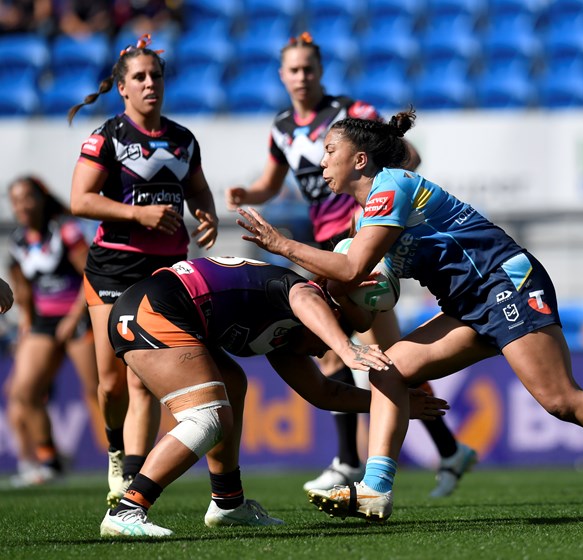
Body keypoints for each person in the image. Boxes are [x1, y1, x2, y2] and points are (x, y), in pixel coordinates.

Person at [237, 108, 583, 526]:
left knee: (560, 400)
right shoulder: (364, 221)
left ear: (360, 159)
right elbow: (366, 306)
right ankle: (376, 490)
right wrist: (343, 294)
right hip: (467, 303)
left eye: (329, 151)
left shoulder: (391, 186)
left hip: (505, 283)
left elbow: (353, 266)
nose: (321, 162)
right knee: (387, 369)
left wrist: (282, 246)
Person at [225, 32, 476, 498]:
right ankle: (447, 449)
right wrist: (248, 194)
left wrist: (373, 211)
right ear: (281, 76)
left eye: (309, 68)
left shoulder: (350, 113)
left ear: (321, 71)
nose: (302, 77)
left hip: (360, 247)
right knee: (380, 354)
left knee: (340, 348)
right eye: (293, 70)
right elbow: (271, 183)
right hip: (329, 247)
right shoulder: (281, 126)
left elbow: (406, 156)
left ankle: (349, 460)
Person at [98, 256, 447, 537]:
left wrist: (394, 404)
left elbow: (323, 393)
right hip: (153, 309)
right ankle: (128, 509)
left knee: (232, 386)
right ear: (327, 317)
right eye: (328, 337)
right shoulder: (302, 294)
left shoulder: (288, 333)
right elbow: (304, 297)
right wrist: (346, 348)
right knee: (207, 416)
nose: (323, 350)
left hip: (162, 310)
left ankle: (228, 503)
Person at [67, 33, 219, 508]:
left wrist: (208, 213)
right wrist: (139, 215)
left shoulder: (183, 139)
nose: (150, 83)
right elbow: (80, 200)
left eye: (156, 75)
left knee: (141, 378)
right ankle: (116, 450)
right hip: (113, 269)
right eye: (139, 77)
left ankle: (132, 480)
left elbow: (198, 189)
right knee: (112, 383)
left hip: (166, 271)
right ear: (122, 88)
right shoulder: (106, 137)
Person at [4, 176, 100, 487]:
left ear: (41, 199)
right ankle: (49, 461)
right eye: (15, 200)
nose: (21, 205)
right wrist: (25, 327)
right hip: (44, 323)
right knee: (24, 392)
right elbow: (24, 293)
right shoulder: (18, 242)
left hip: (78, 318)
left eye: (27, 197)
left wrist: (73, 318)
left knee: (99, 391)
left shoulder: (66, 231)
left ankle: (124, 457)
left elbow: (90, 275)